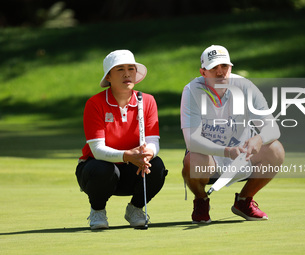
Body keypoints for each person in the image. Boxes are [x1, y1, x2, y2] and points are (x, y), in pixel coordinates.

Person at [181, 45, 285, 223]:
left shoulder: (245, 87)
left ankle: (244, 201)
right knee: (193, 159)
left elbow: (273, 129)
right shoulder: (192, 91)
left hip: (242, 157)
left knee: (276, 150)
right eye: (214, 68)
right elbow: (192, 141)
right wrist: (227, 151)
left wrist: (259, 138)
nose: (220, 73)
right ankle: (201, 200)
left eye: (225, 67)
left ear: (231, 68)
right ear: (203, 72)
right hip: (209, 158)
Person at [76, 50, 167, 229]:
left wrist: (148, 154)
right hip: (99, 172)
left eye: (131, 69)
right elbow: (97, 150)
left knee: (157, 166)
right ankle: (97, 210)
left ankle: (135, 209)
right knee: (102, 168)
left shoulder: (147, 101)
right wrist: (127, 155)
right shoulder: (95, 103)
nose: (127, 73)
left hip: (133, 172)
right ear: (108, 76)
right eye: (120, 69)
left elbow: (153, 141)